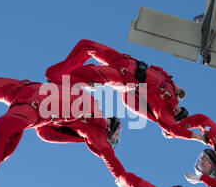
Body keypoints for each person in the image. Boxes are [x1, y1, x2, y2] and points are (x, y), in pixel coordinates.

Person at [44, 39, 207, 140]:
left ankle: (62, 84)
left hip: (124, 77)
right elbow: (160, 71)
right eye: (182, 111)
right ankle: (58, 77)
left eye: (178, 115)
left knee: (82, 74)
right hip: (122, 60)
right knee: (85, 45)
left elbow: (173, 129)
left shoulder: (162, 110)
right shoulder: (171, 89)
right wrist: (178, 88)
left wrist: (198, 137)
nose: (178, 110)